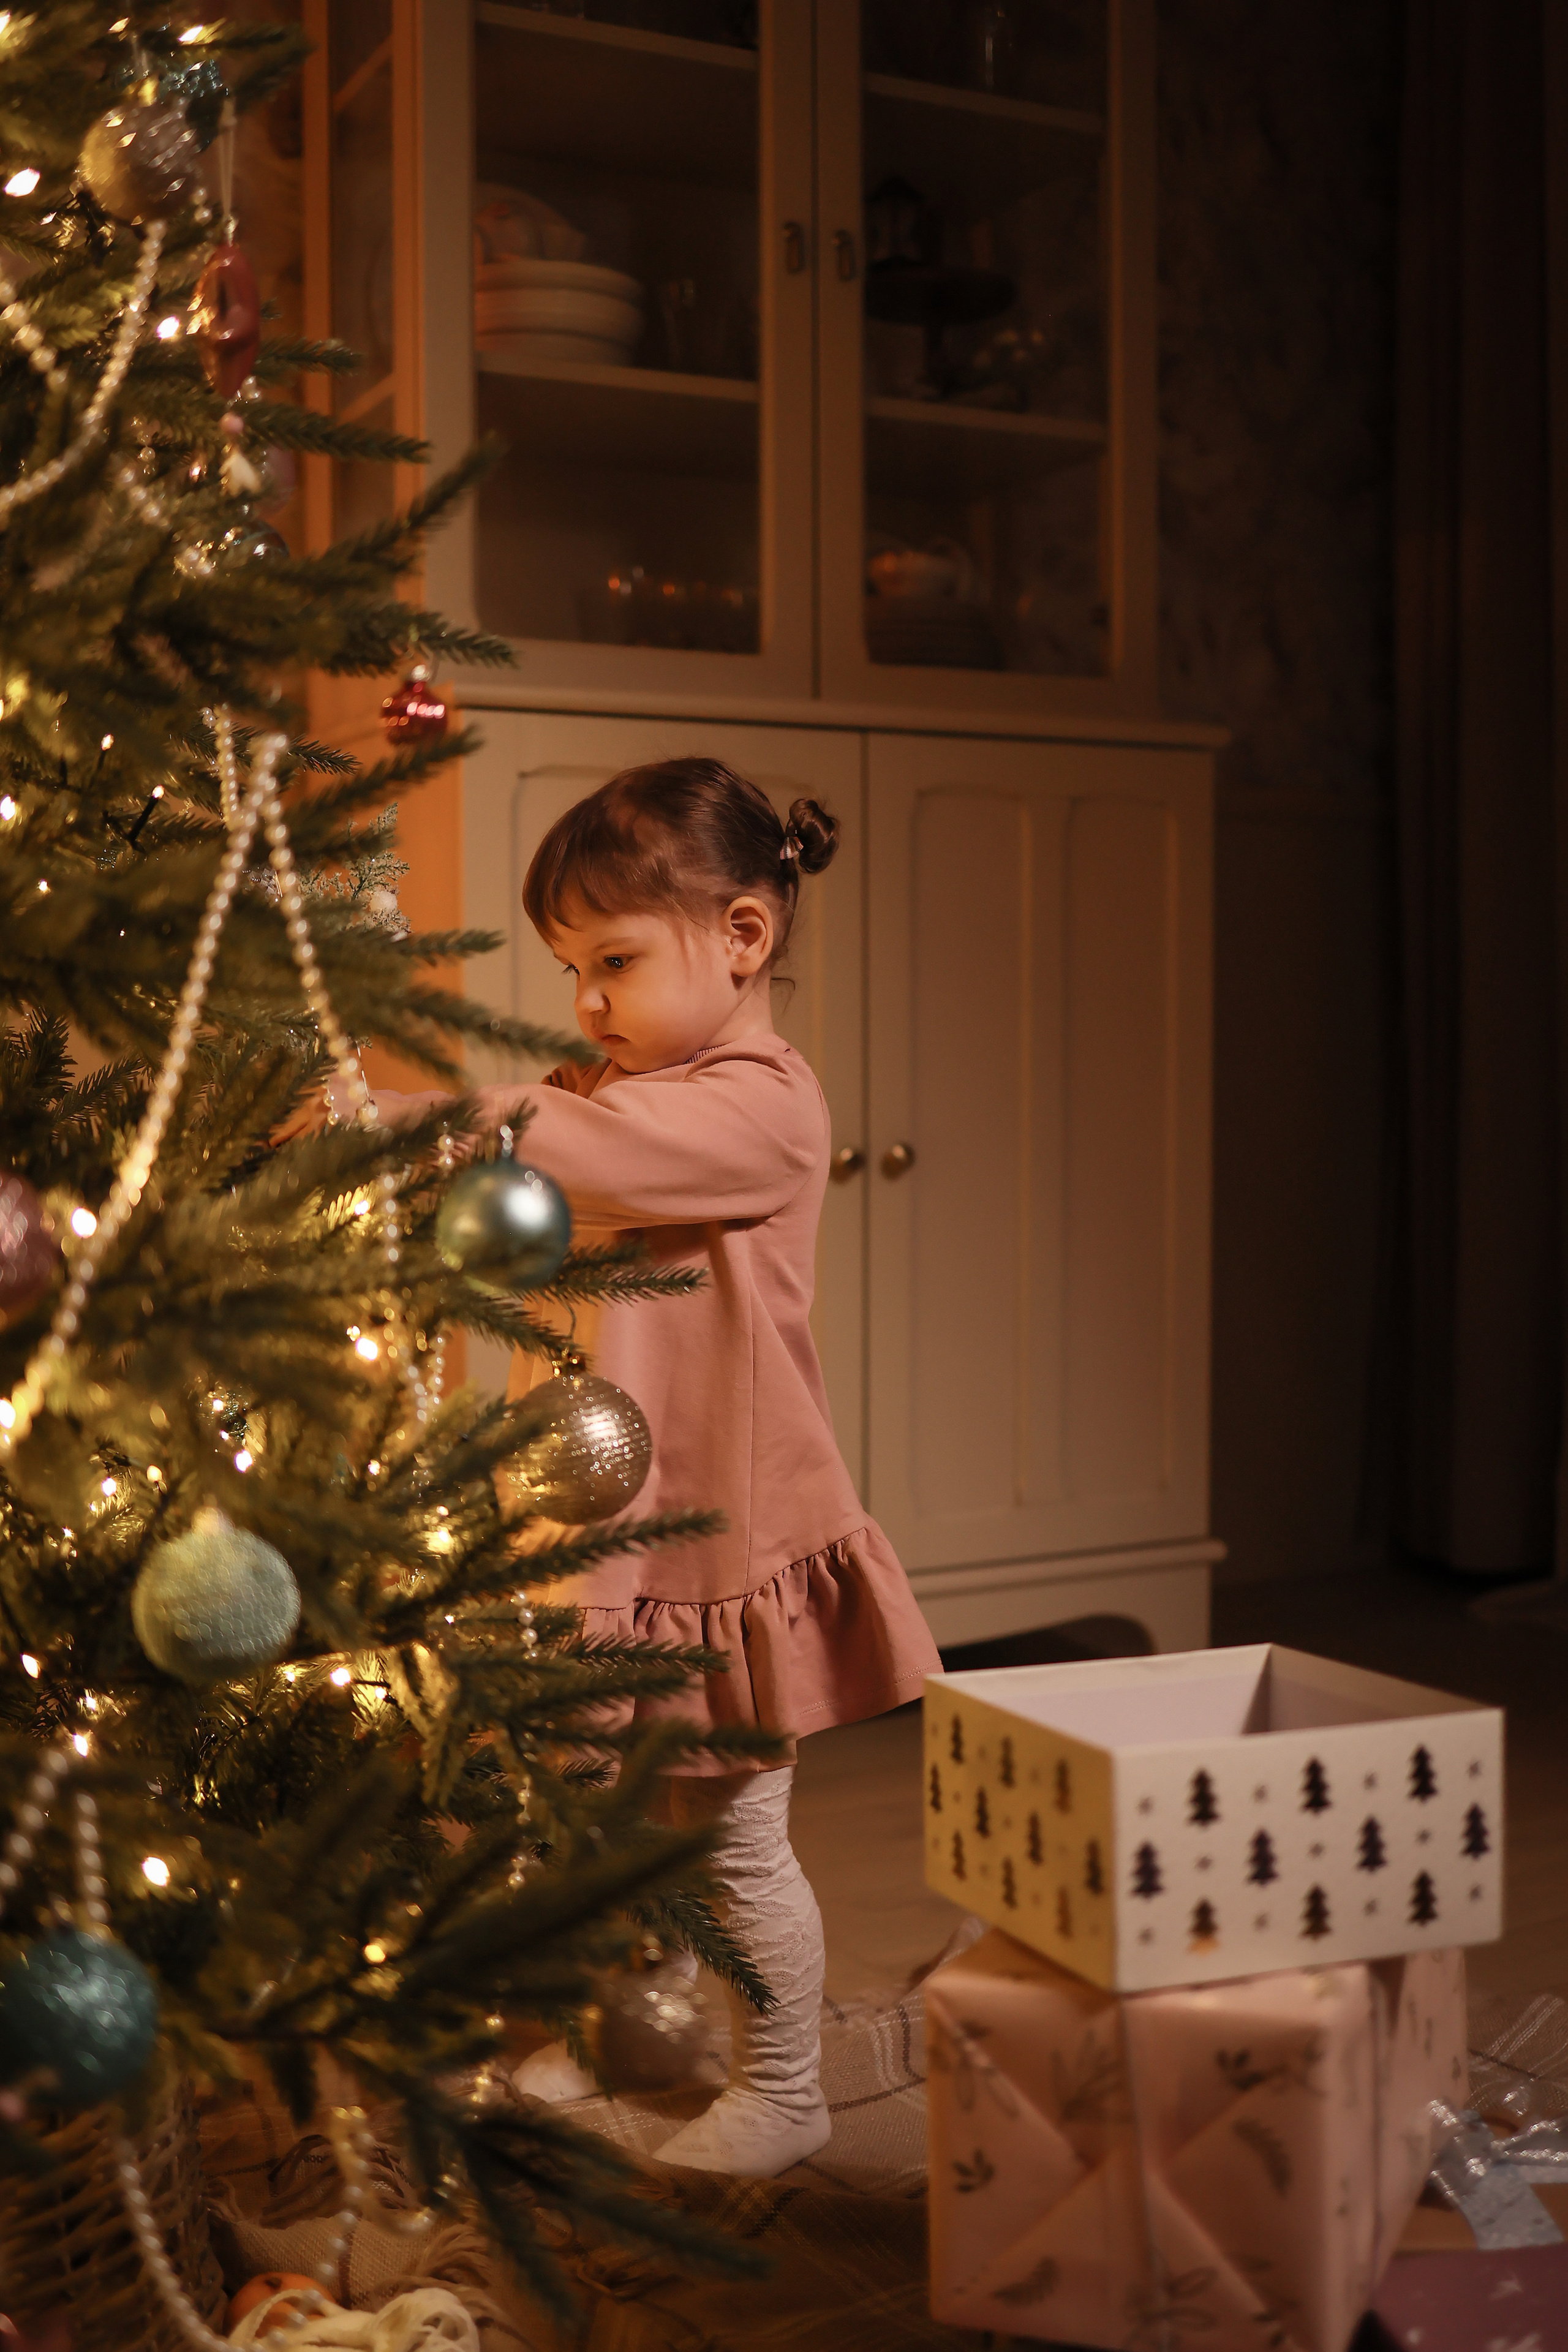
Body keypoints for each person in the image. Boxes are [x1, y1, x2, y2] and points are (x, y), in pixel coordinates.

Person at [371, 756, 941, 2177]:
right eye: (572, 969)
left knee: (728, 1839)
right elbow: (546, 1161)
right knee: (609, 1816)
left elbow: (575, 1145)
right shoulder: (613, 1093)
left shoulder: (757, 1106)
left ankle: (788, 2081)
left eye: (613, 960)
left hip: (717, 1545)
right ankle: (649, 2027)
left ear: (742, 937)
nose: (587, 1004)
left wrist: (426, 1118)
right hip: (604, 1542)